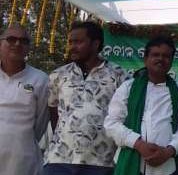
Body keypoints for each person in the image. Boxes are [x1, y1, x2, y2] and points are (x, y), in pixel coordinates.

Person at [44, 21, 127, 175]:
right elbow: (54, 113)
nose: (72, 47)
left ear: (95, 44)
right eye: (70, 42)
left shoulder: (119, 75)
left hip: (101, 162)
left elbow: (123, 117)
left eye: (78, 42)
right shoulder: (58, 75)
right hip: (59, 160)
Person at [104, 36, 178, 175]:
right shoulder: (128, 87)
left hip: (167, 166)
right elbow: (112, 123)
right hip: (130, 163)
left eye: (166, 56)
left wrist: (169, 151)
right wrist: (138, 144)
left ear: (171, 61)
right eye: (155, 55)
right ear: (145, 59)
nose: (160, 59)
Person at [0, 24, 50, 175]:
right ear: (1, 43)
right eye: (11, 39)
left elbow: (41, 123)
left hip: (23, 160)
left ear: (28, 48)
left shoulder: (40, 79)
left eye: (23, 41)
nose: (17, 44)